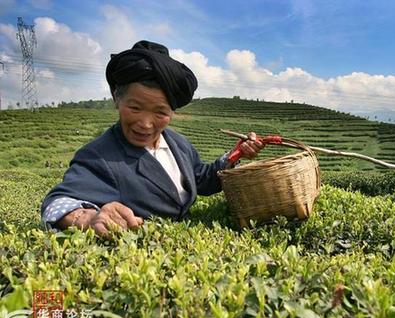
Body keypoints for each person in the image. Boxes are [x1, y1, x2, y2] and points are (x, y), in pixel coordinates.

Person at [41, 40, 264, 238]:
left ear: (172, 112)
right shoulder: (99, 155)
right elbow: (57, 203)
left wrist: (236, 154)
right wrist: (89, 218)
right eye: (135, 108)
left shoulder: (178, 143)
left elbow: (201, 180)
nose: (146, 124)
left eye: (160, 113)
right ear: (116, 99)